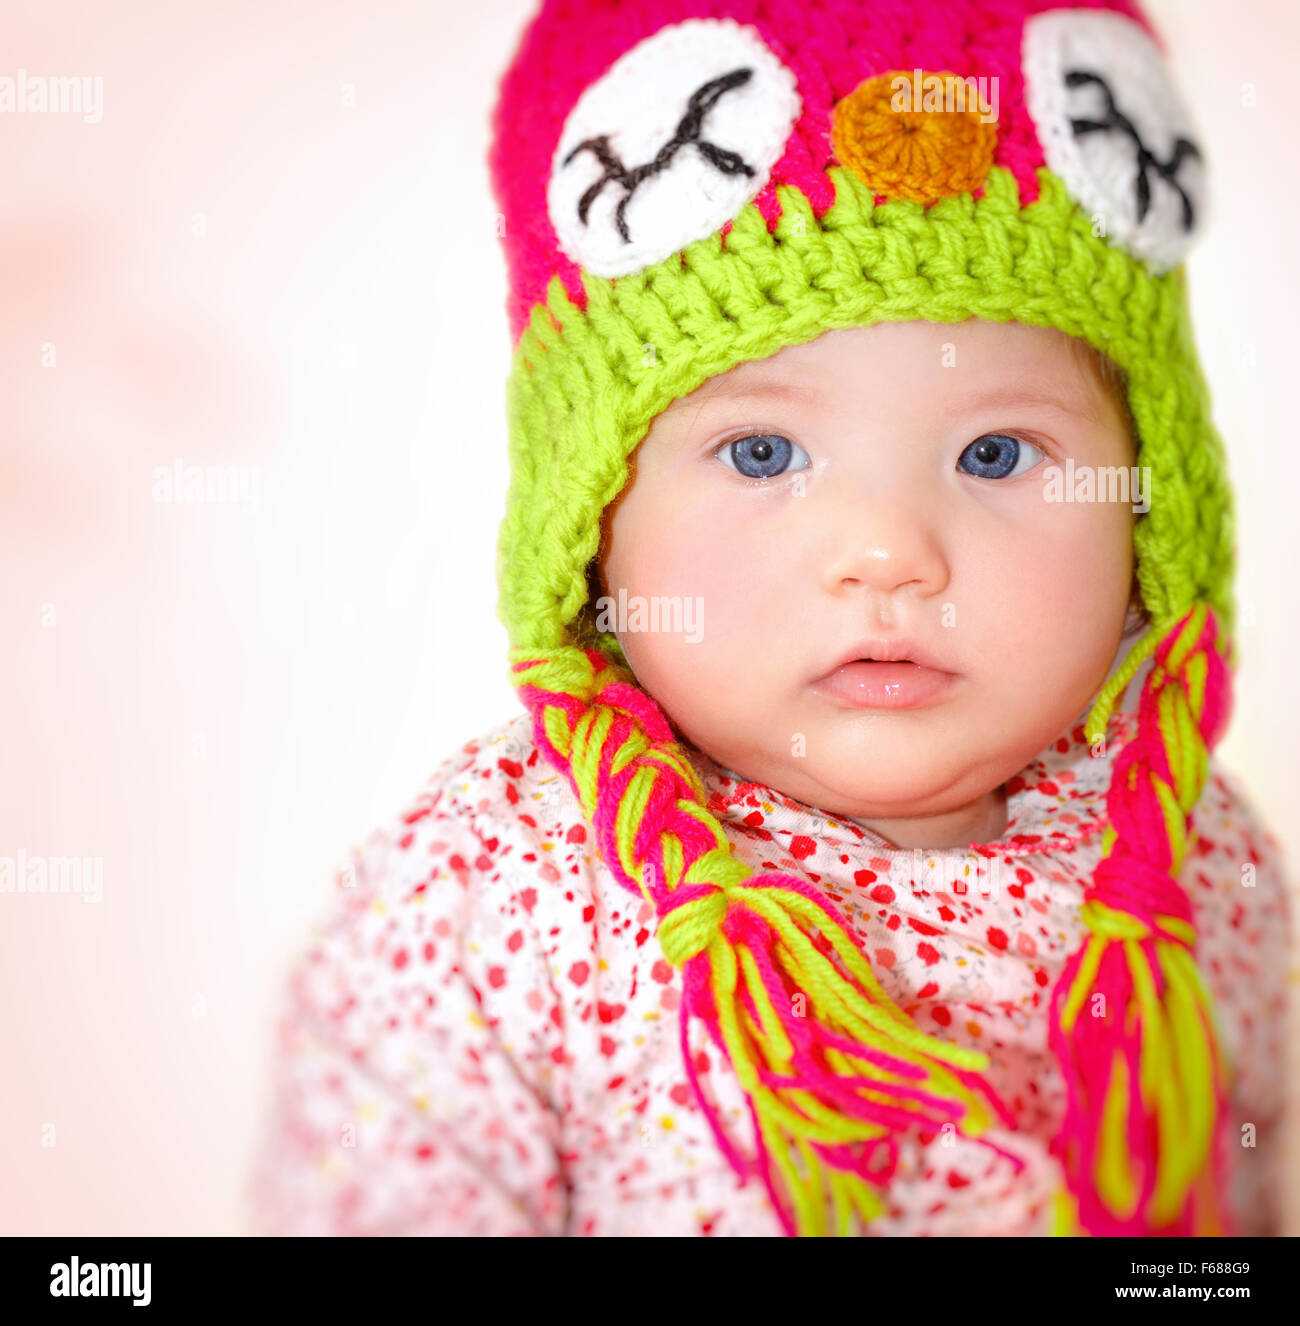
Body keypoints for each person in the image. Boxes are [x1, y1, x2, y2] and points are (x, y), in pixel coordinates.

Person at [248, 0, 1293, 1236]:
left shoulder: (1182, 863)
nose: (885, 553)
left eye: (999, 454)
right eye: (759, 451)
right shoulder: (491, 889)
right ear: (587, 527)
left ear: (1142, 514)